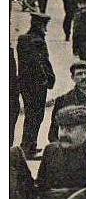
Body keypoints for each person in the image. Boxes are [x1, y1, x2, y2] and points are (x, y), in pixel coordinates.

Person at [16, 12, 56, 157]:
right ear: (40, 25)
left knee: (30, 115)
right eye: (45, 26)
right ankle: (28, 148)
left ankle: (28, 145)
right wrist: (48, 79)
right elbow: (43, 64)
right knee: (36, 116)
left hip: (25, 84)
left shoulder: (22, 40)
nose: (46, 29)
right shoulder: (38, 41)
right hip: (37, 85)